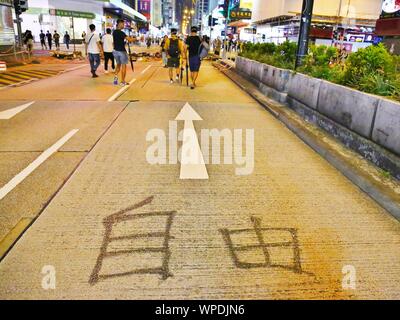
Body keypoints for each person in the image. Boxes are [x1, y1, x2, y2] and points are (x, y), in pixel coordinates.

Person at [112, 19, 135, 86]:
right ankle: (122, 81)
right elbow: (130, 40)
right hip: (122, 51)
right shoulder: (121, 33)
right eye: (123, 24)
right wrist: (137, 38)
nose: (123, 25)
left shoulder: (114, 32)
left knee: (118, 65)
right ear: (119, 24)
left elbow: (117, 41)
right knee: (124, 66)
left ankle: (116, 78)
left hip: (115, 51)